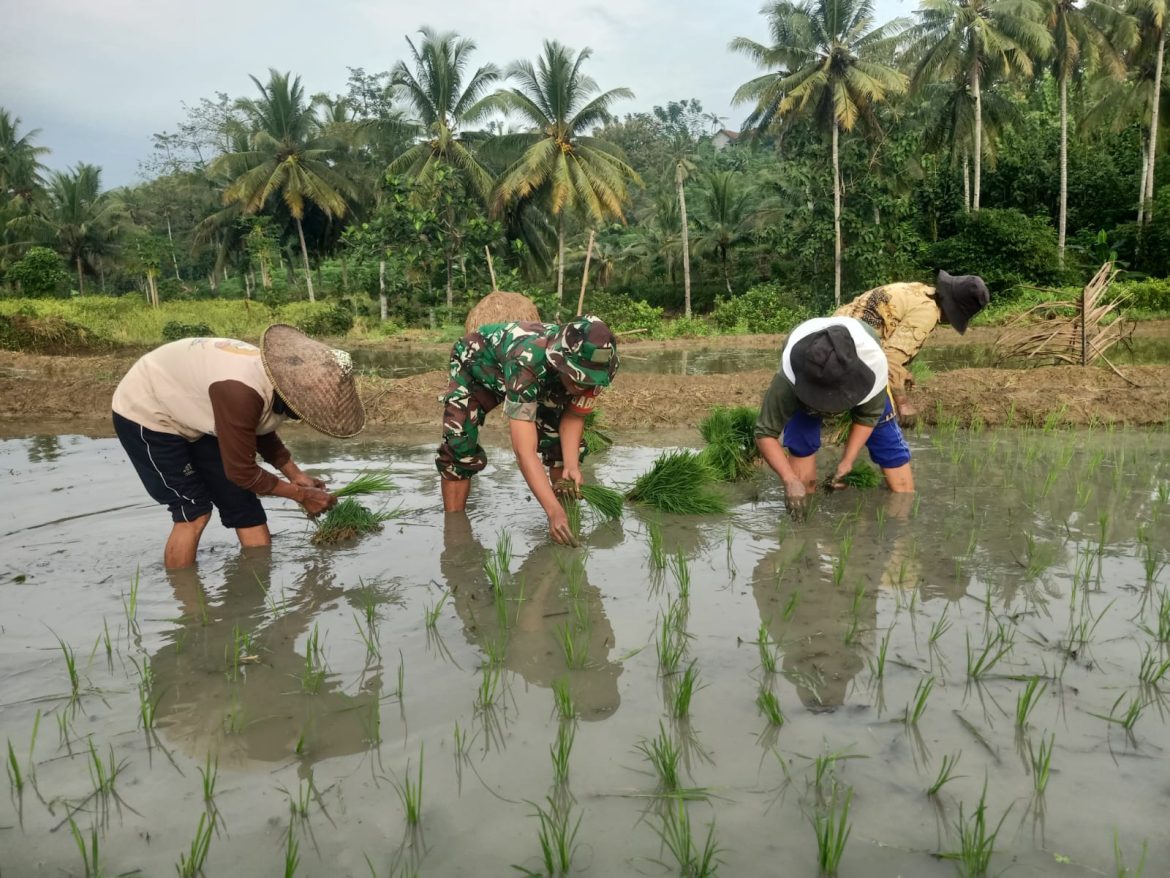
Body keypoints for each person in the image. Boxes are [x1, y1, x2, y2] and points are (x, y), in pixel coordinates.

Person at [112, 324, 365, 568]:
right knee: (193, 510)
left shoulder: (273, 380)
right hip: (150, 412)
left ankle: (255, 589)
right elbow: (242, 471)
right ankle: (187, 602)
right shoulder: (240, 391)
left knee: (242, 502)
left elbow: (256, 429)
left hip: (201, 413)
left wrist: (296, 476)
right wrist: (301, 495)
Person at [436, 315, 619, 546]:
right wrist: (551, 510)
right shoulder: (527, 363)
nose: (582, 386)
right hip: (478, 365)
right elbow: (525, 452)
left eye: (588, 379)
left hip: (546, 376)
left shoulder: (599, 370)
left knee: (560, 451)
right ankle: (455, 535)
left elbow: (573, 417)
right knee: (458, 443)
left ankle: (565, 528)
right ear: (561, 358)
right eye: (577, 376)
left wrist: (572, 466)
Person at [754, 316, 914, 515]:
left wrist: (847, 462)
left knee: (894, 464)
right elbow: (765, 432)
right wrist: (789, 479)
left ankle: (901, 520)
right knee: (801, 474)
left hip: (861, 372)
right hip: (805, 385)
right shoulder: (790, 376)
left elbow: (868, 416)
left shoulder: (874, 364)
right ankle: (803, 529)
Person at [834, 270, 989, 424]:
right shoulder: (926, 314)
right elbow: (888, 360)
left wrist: (903, 373)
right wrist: (902, 403)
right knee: (886, 420)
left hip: (831, 339)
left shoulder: (918, 290)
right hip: (845, 357)